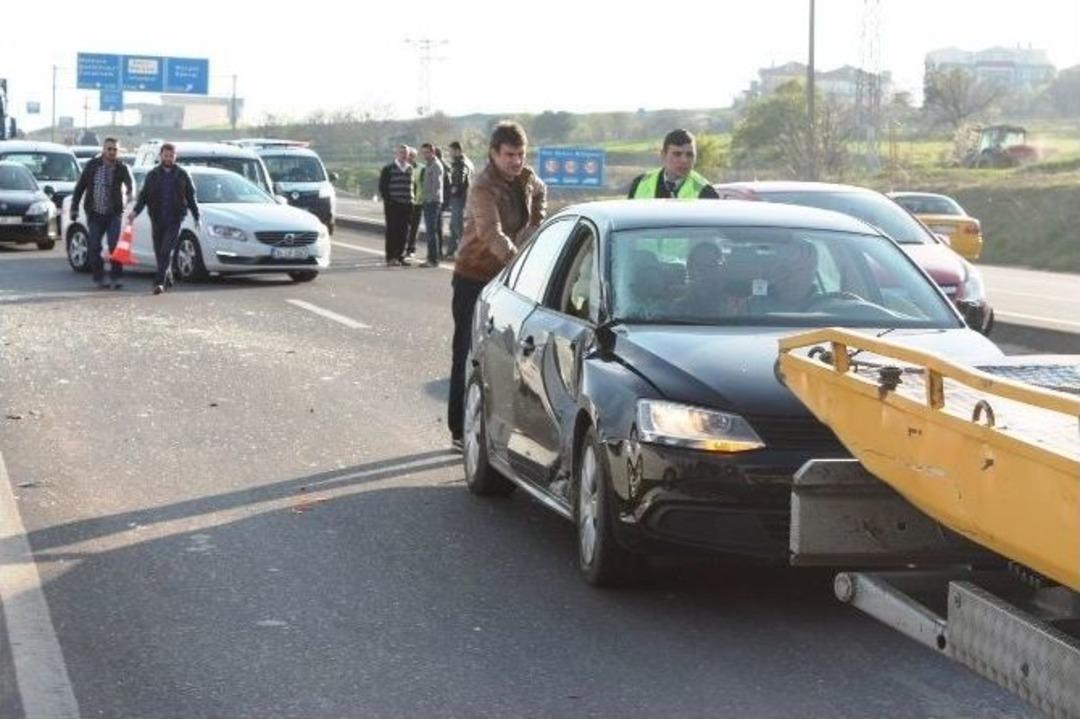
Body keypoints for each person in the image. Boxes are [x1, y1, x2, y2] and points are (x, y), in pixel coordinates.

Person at [447, 121, 546, 451]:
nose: (516, 161)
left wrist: (535, 226)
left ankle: (505, 431)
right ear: (493, 153)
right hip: (474, 277)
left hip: (508, 279)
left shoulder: (528, 179)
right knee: (468, 353)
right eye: (509, 155)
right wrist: (520, 264)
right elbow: (492, 234)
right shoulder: (483, 186)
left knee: (511, 357)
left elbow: (539, 203)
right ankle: (460, 429)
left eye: (521, 154)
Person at [127, 143, 200, 295]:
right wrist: (135, 212)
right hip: (157, 218)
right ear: (161, 156)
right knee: (159, 252)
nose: (168, 158)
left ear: (175, 156)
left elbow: (191, 197)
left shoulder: (182, 175)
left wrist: (196, 216)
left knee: (166, 250)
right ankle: (168, 277)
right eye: (166, 155)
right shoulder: (153, 175)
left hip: (175, 219)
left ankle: (159, 283)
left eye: (171, 156)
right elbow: (144, 197)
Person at [70, 137, 133, 289]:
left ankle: (116, 277)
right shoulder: (92, 166)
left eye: (115, 150)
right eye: (109, 149)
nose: (112, 152)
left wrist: (130, 193)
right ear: (103, 150)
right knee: (94, 246)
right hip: (95, 214)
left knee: (114, 246)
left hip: (113, 214)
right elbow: (80, 188)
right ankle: (99, 277)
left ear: (118, 152)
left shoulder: (121, 167)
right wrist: (74, 207)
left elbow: (130, 183)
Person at [627, 129, 719, 199]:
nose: (684, 160)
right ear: (663, 155)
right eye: (677, 154)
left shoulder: (706, 191)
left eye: (689, 155)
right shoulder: (640, 183)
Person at [378, 144, 414, 266]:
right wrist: (389, 201)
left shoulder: (410, 168)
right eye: (401, 153)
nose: (403, 155)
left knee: (404, 232)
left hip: (408, 204)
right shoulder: (388, 169)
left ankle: (400, 256)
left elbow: (414, 186)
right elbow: (383, 187)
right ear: (396, 154)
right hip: (393, 205)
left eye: (406, 153)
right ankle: (391, 257)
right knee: (392, 231)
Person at [420, 143, 445, 267]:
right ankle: (432, 257)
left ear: (433, 152)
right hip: (429, 201)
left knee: (431, 231)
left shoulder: (436, 165)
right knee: (431, 230)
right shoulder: (428, 165)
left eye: (427, 152)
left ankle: (433, 260)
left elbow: (436, 186)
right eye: (423, 152)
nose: (425, 155)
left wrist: (428, 198)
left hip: (433, 201)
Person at [445, 141, 471, 259]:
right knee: (453, 225)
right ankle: (451, 251)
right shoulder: (458, 163)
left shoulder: (461, 164)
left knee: (457, 225)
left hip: (459, 198)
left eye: (451, 150)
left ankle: (465, 252)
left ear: (457, 150)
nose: (449, 153)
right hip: (457, 198)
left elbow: (460, 180)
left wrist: (454, 189)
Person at [405, 146, 423, 260]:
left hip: (417, 203)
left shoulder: (421, 168)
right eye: (408, 155)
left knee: (414, 228)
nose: (410, 157)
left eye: (412, 155)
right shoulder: (400, 167)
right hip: (403, 202)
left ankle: (411, 249)